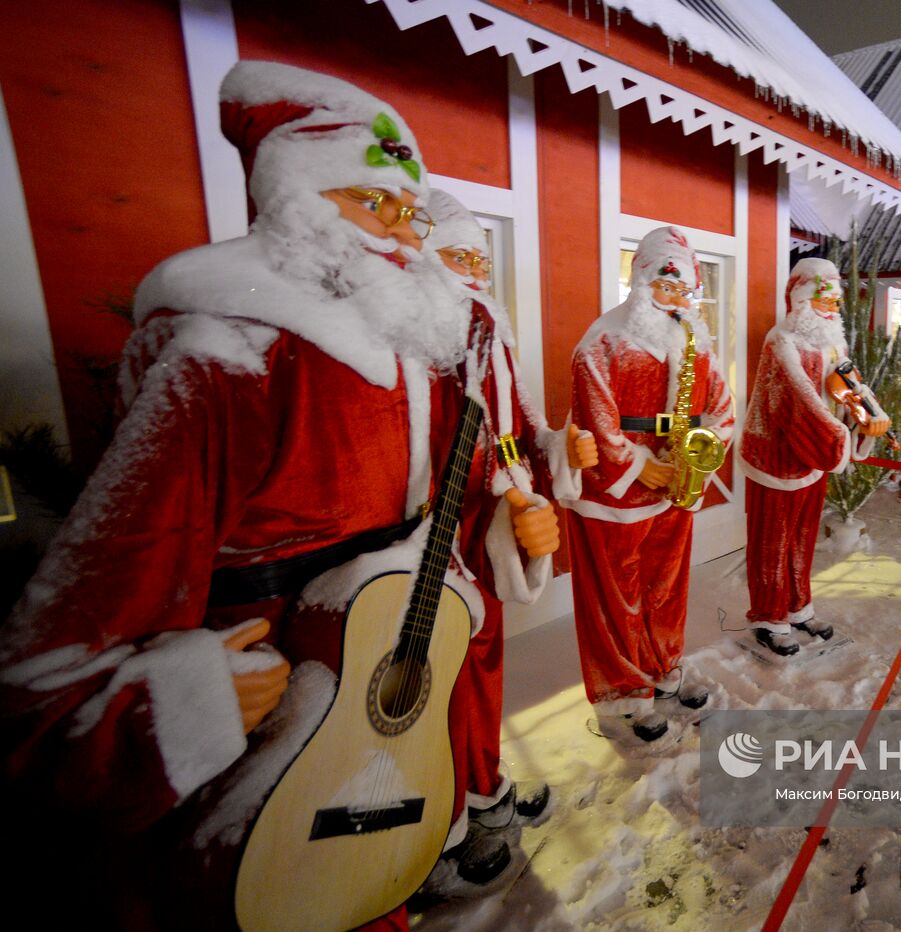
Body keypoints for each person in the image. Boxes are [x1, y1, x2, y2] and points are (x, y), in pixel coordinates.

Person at [0, 62, 561, 929]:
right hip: (274, 750)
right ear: (297, 204)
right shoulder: (229, 356)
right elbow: (58, 652)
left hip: (397, 703)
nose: (407, 238)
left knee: (378, 893)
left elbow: (445, 509)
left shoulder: (425, 348)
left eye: (414, 214)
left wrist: (502, 524)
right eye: (377, 205)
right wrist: (184, 702)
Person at [423, 189, 597, 883]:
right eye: (455, 255)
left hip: (488, 541)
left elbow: (517, 431)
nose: (472, 270)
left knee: (482, 676)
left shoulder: (494, 340)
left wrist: (560, 449)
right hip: (437, 550)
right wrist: (500, 502)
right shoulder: (422, 347)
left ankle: (484, 790)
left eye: (478, 258)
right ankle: (441, 826)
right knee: (438, 685)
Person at [565, 226, 734, 742]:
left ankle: (664, 670)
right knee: (617, 596)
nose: (676, 298)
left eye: (684, 289)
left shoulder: (695, 339)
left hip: (675, 483)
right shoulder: (602, 340)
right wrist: (640, 465)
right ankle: (623, 692)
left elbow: (722, 405)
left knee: (666, 587)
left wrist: (702, 453)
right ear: (641, 280)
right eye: (667, 285)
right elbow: (594, 417)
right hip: (617, 489)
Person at [738, 258, 888, 655]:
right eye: (826, 301)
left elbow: (850, 381)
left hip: (811, 456)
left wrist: (870, 412)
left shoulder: (831, 342)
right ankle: (769, 617)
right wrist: (837, 434)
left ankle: (798, 606)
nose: (832, 309)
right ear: (802, 299)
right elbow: (795, 399)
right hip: (776, 457)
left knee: (802, 537)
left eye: (837, 303)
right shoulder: (781, 341)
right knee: (773, 541)